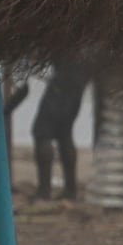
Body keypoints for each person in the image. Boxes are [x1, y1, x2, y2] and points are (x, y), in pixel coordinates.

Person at [25, 56, 95, 200]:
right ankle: (70, 190)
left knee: (42, 132)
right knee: (65, 134)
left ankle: (44, 191)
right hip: (79, 83)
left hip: (64, 80)